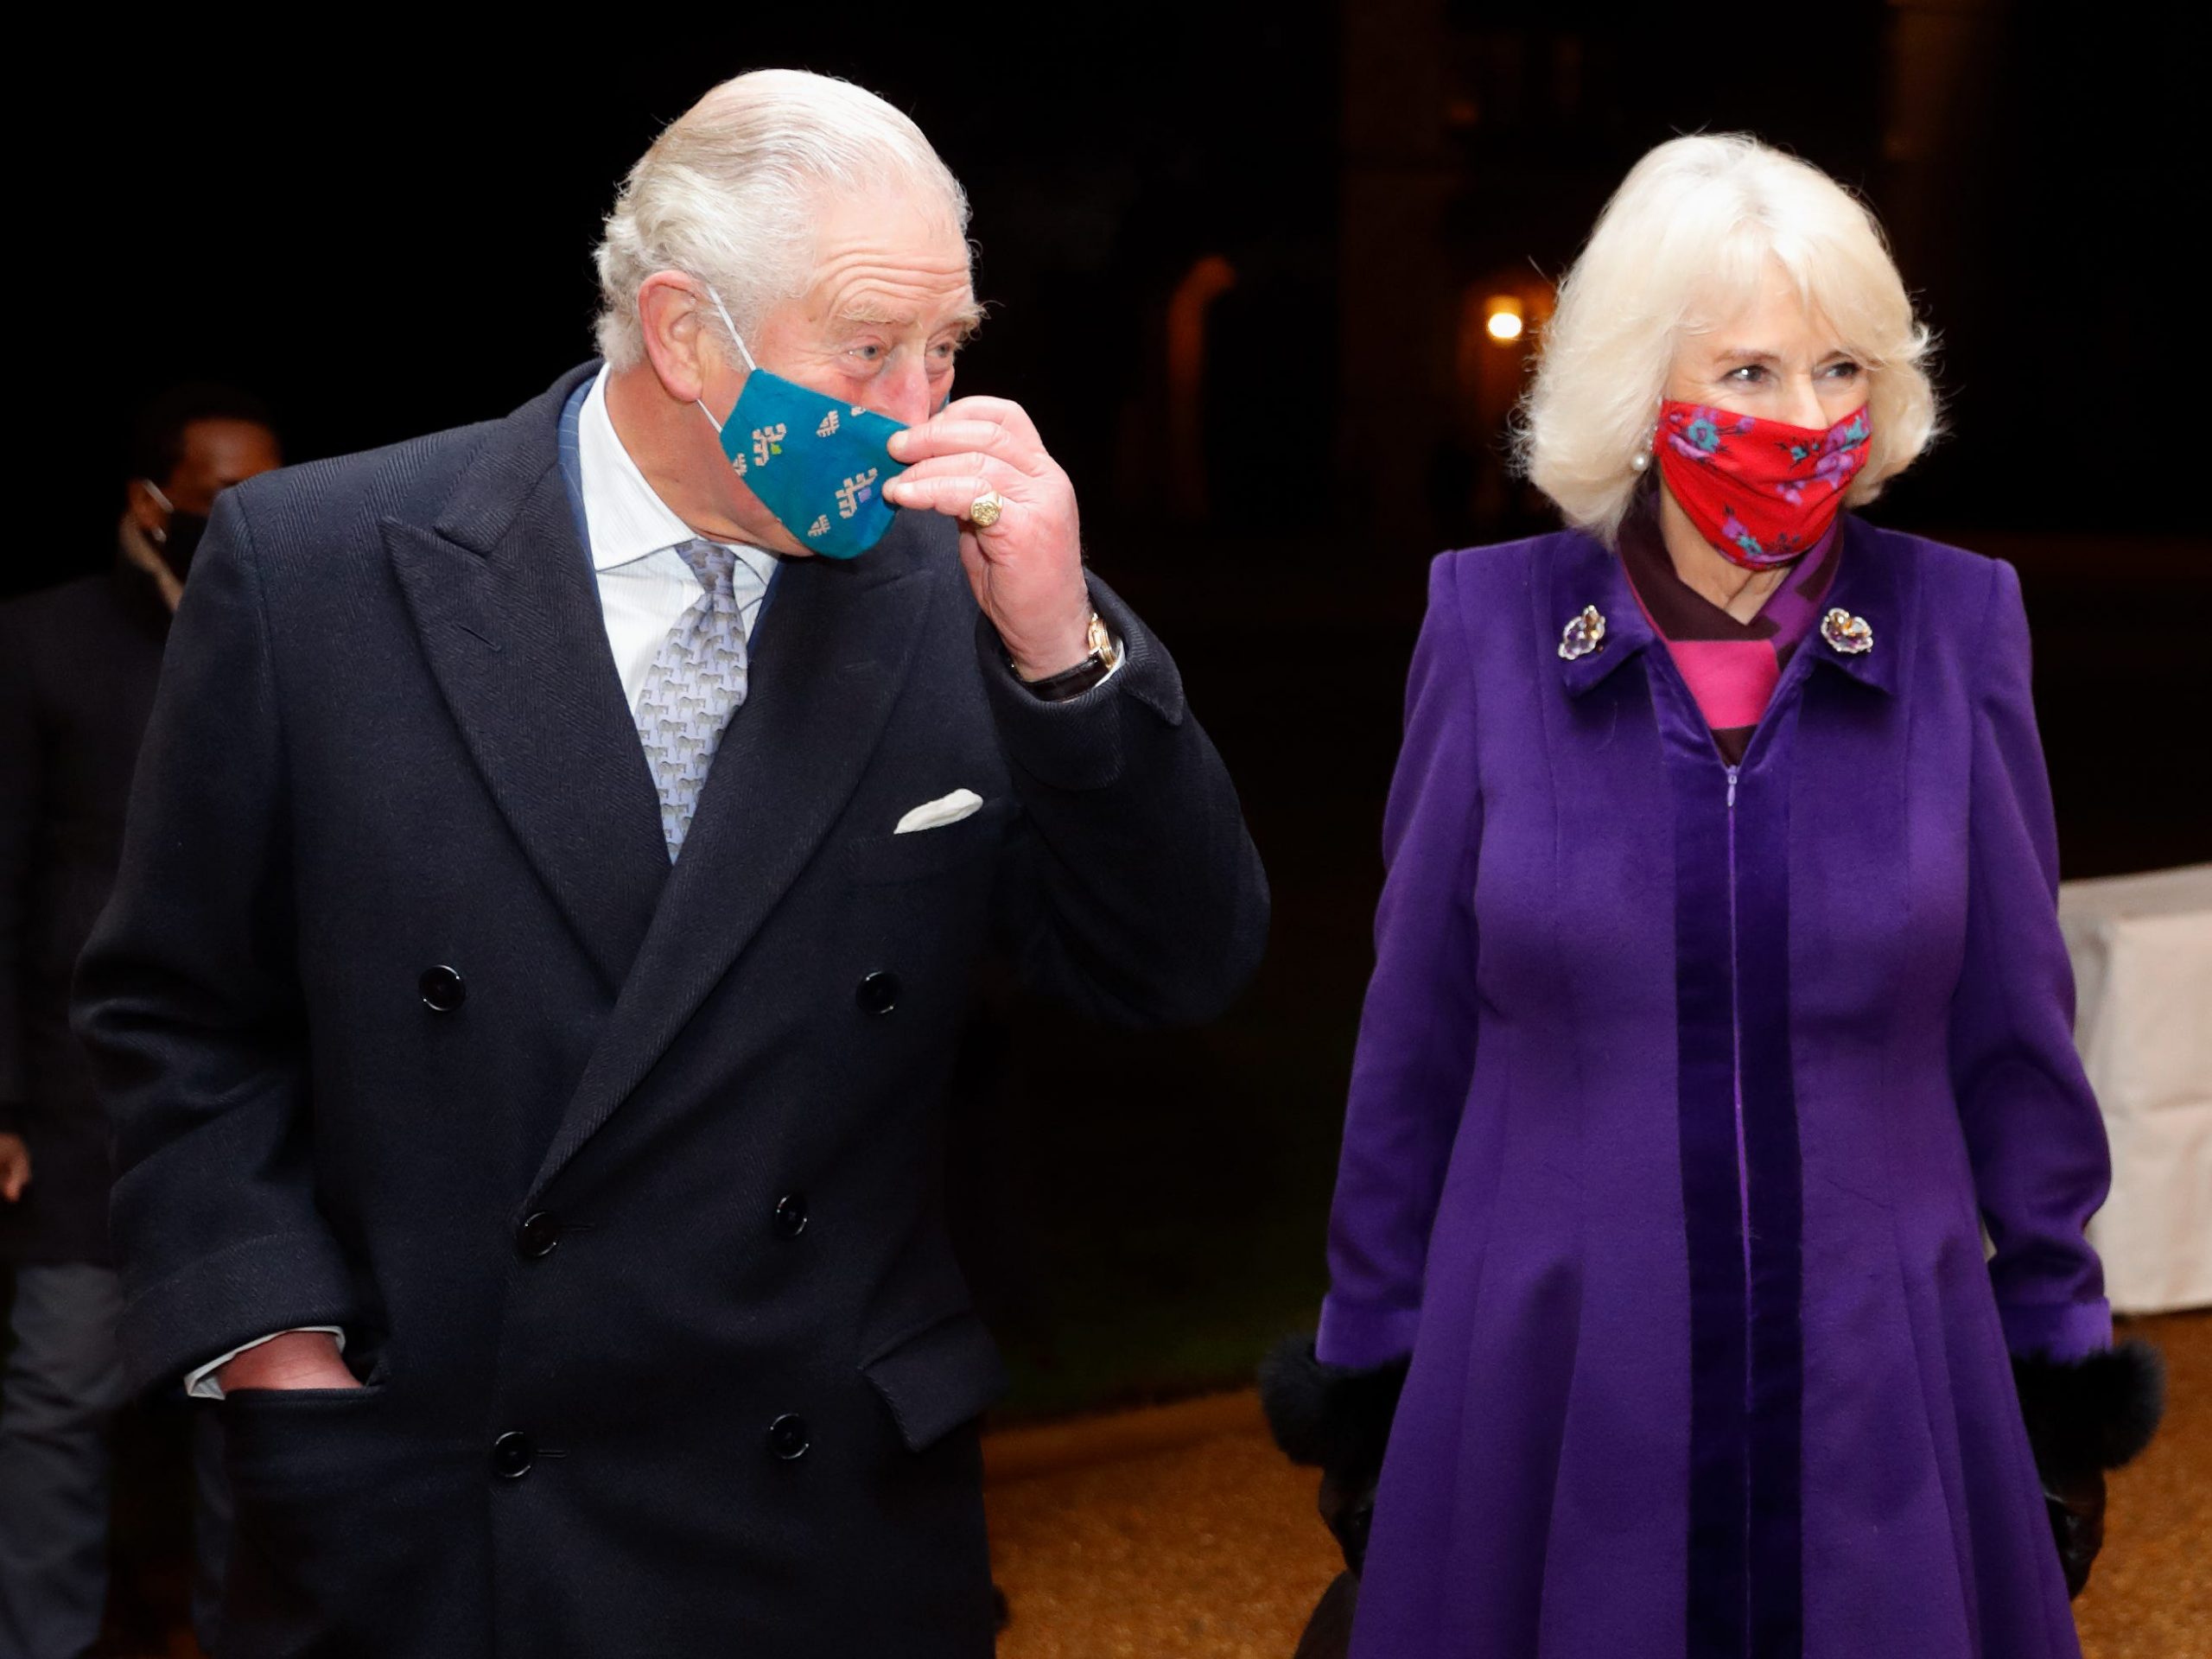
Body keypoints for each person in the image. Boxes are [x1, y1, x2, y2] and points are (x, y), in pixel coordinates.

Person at [72, 69, 1267, 1657]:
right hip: (433, 1513)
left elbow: (1174, 962)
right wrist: (275, 1345)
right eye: (868, 351)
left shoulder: (964, 589)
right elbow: (177, 1010)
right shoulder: (318, 570)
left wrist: (1061, 651)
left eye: (950, 346)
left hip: (824, 1522)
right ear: (689, 336)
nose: (923, 413)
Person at [1263, 134, 2160, 1659]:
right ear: (1633, 382)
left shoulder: (1960, 624)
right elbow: (1413, 1035)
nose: (1804, 419)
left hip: (1890, 1380)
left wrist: (2056, 1353)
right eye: (1747, 372)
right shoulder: (1485, 631)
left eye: (1840, 369)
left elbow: (2019, 1035)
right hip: (1548, 1380)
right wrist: (1374, 1361)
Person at [1, 385, 281, 1659]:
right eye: (224, 499)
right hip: (84, 1111)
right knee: (60, 1400)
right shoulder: (43, 642)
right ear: (151, 502)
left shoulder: (300, 629)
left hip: (269, 1109)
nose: (251, 521)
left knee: (263, 1405)